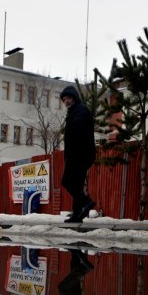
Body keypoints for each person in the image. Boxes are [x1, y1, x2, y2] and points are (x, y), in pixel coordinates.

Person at [60, 85, 97, 223]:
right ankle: (77, 214)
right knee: (76, 184)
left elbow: (78, 133)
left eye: (68, 98)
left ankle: (86, 202)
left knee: (67, 181)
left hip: (79, 154)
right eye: (64, 99)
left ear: (74, 97)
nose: (66, 101)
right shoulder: (75, 111)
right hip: (81, 154)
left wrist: (72, 154)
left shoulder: (80, 111)